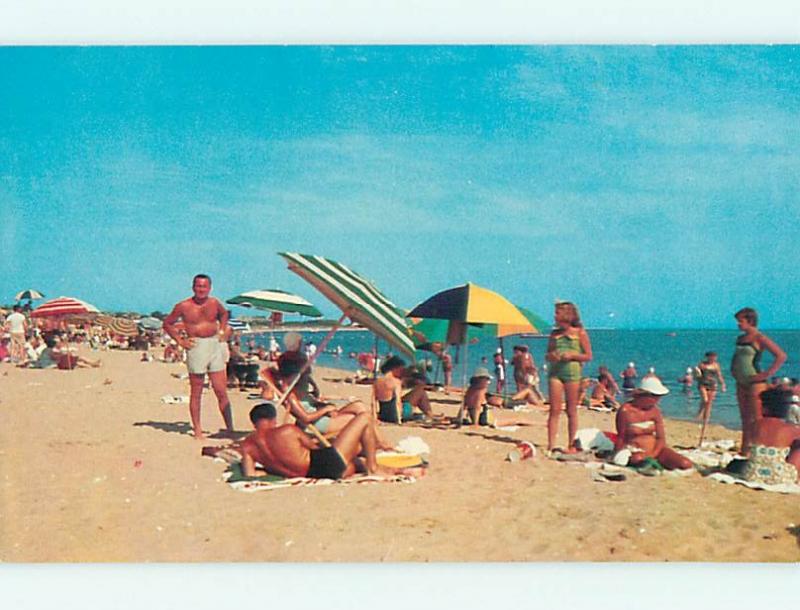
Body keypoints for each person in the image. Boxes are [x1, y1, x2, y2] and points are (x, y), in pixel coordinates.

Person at [239, 403, 406, 479]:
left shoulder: (247, 446)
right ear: (273, 419)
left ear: (254, 423)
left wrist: (272, 470)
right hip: (327, 464)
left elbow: (250, 474)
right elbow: (314, 448)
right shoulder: (287, 431)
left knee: (355, 460)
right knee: (365, 418)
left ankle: (376, 466)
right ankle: (373, 467)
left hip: (314, 473)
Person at [163, 274, 233, 439]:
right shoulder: (183, 306)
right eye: (198, 286)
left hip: (214, 344)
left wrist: (222, 330)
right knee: (197, 390)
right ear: (193, 287)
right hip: (196, 347)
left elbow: (224, 314)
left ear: (210, 288)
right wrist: (180, 341)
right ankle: (198, 429)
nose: (201, 289)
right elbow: (167, 323)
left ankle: (230, 427)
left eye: (204, 286)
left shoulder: (214, 303)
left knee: (221, 390)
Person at [730, 307, 787, 455]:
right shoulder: (740, 339)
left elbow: (781, 356)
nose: (738, 324)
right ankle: (744, 451)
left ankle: (758, 450)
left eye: (740, 321)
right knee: (744, 418)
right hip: (741, 381)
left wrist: (766, 374)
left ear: (750, 321)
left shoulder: (759, 338)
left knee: (757, 419)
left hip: (755, 382)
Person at [614, 377, 694, 471]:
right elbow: (621, 437)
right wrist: (618, 453)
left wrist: (652, 454)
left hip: (656, 450)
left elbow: (661, 438)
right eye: (655, 397)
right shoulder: (625, 411)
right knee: (638, 459)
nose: (657, 400)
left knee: (685, 464)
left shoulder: (655, 411)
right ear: (645, 395)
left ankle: (653, 461)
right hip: (636, 451)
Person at [546, 302, 592, 453]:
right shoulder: (554, 334)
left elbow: (588, 355)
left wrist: (572, 355)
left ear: (567, 315)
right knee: (555, 410)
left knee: (571, 410)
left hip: (572, 374)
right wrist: (552, 356)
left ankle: (572, 444)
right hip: (555, 373)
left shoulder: (579, 333)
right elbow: (548, 354)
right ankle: (551, 444)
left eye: (557, 313)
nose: (554, 316)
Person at [727, 391, 800, 484]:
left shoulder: (755, 425)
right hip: (780, 477)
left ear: (765, 408)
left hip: (752, 473)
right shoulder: (791, 429)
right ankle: (797, 476)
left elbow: (748, 447)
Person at [462, 368, 540, 428]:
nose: (488, 382)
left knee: (518, 419)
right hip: (486, 420)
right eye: (487, 380)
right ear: (482, 380)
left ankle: (543, 423)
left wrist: (459, 419)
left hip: (480, 419)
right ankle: (543, 424)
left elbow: (464, 406)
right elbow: (477, 407)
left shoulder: (470, 391)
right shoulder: (481, 391)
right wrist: (475, 424)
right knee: (518, 419)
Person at [374, 356, 435, 422]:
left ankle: (429, 414)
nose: (401, 370)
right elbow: (397, 401)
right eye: (400, 369)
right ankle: (430, 415)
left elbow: (374, 402)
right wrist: (398, 420)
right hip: (399, 414)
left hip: (384, 414)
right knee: (420, 392)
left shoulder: (379, 381)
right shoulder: (396, 381)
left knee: (416, 391)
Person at [694, 352, 726, 438]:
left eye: (714, 357)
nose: (713, 358)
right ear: (707, 357)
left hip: (712, 385)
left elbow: (719, 376)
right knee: (705, 400)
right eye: (711, 357)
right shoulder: (702, 365)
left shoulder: (716, 365)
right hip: (703, 384)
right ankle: (700, 412)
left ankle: (705, 421)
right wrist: (696, 373)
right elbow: (696, 376)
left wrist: (723, 385)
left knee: (709, 405)